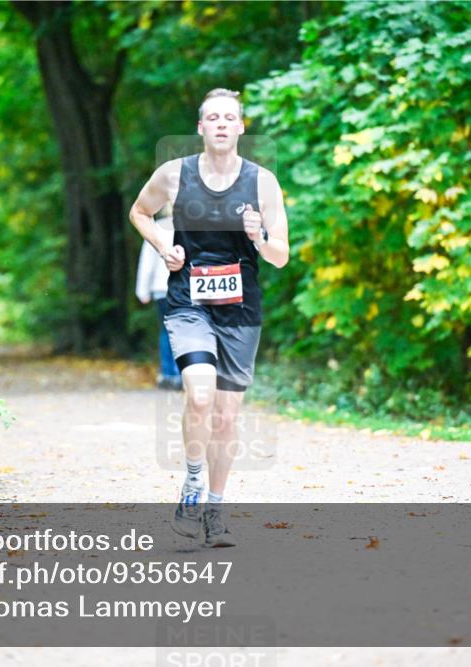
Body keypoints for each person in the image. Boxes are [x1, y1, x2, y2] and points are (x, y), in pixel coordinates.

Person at [128, 88, 290, 547]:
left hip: (240, 310)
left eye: (229, 117)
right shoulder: (174, 175)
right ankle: (193, 485)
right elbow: (140, 211)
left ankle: (215, 509)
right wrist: (163, 246)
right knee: (199, 396)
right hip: (188, 303)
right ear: (200, 127)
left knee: (225, 415)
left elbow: (281, 256)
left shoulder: (263, 183)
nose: (221, 124)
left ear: (241, 127)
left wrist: (260, 238)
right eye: (212, 117)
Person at [135, 224, 183, 390]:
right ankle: (181, 372)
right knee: (183, 331)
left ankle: (168, 373)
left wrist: (142, 290)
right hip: (184, 287)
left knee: (166, 330)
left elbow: (147, 262)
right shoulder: (189, 226)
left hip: (161, 288)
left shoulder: (154, 229)